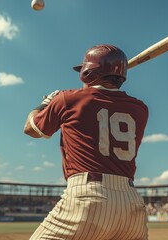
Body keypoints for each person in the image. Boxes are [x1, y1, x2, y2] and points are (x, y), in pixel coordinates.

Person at [24, 44, 149, 239]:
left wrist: (46, 102)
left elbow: (31, 129)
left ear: (88, 73)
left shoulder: (67, 99)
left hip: (88, 197)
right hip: (131, 204)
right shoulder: (140, 108)